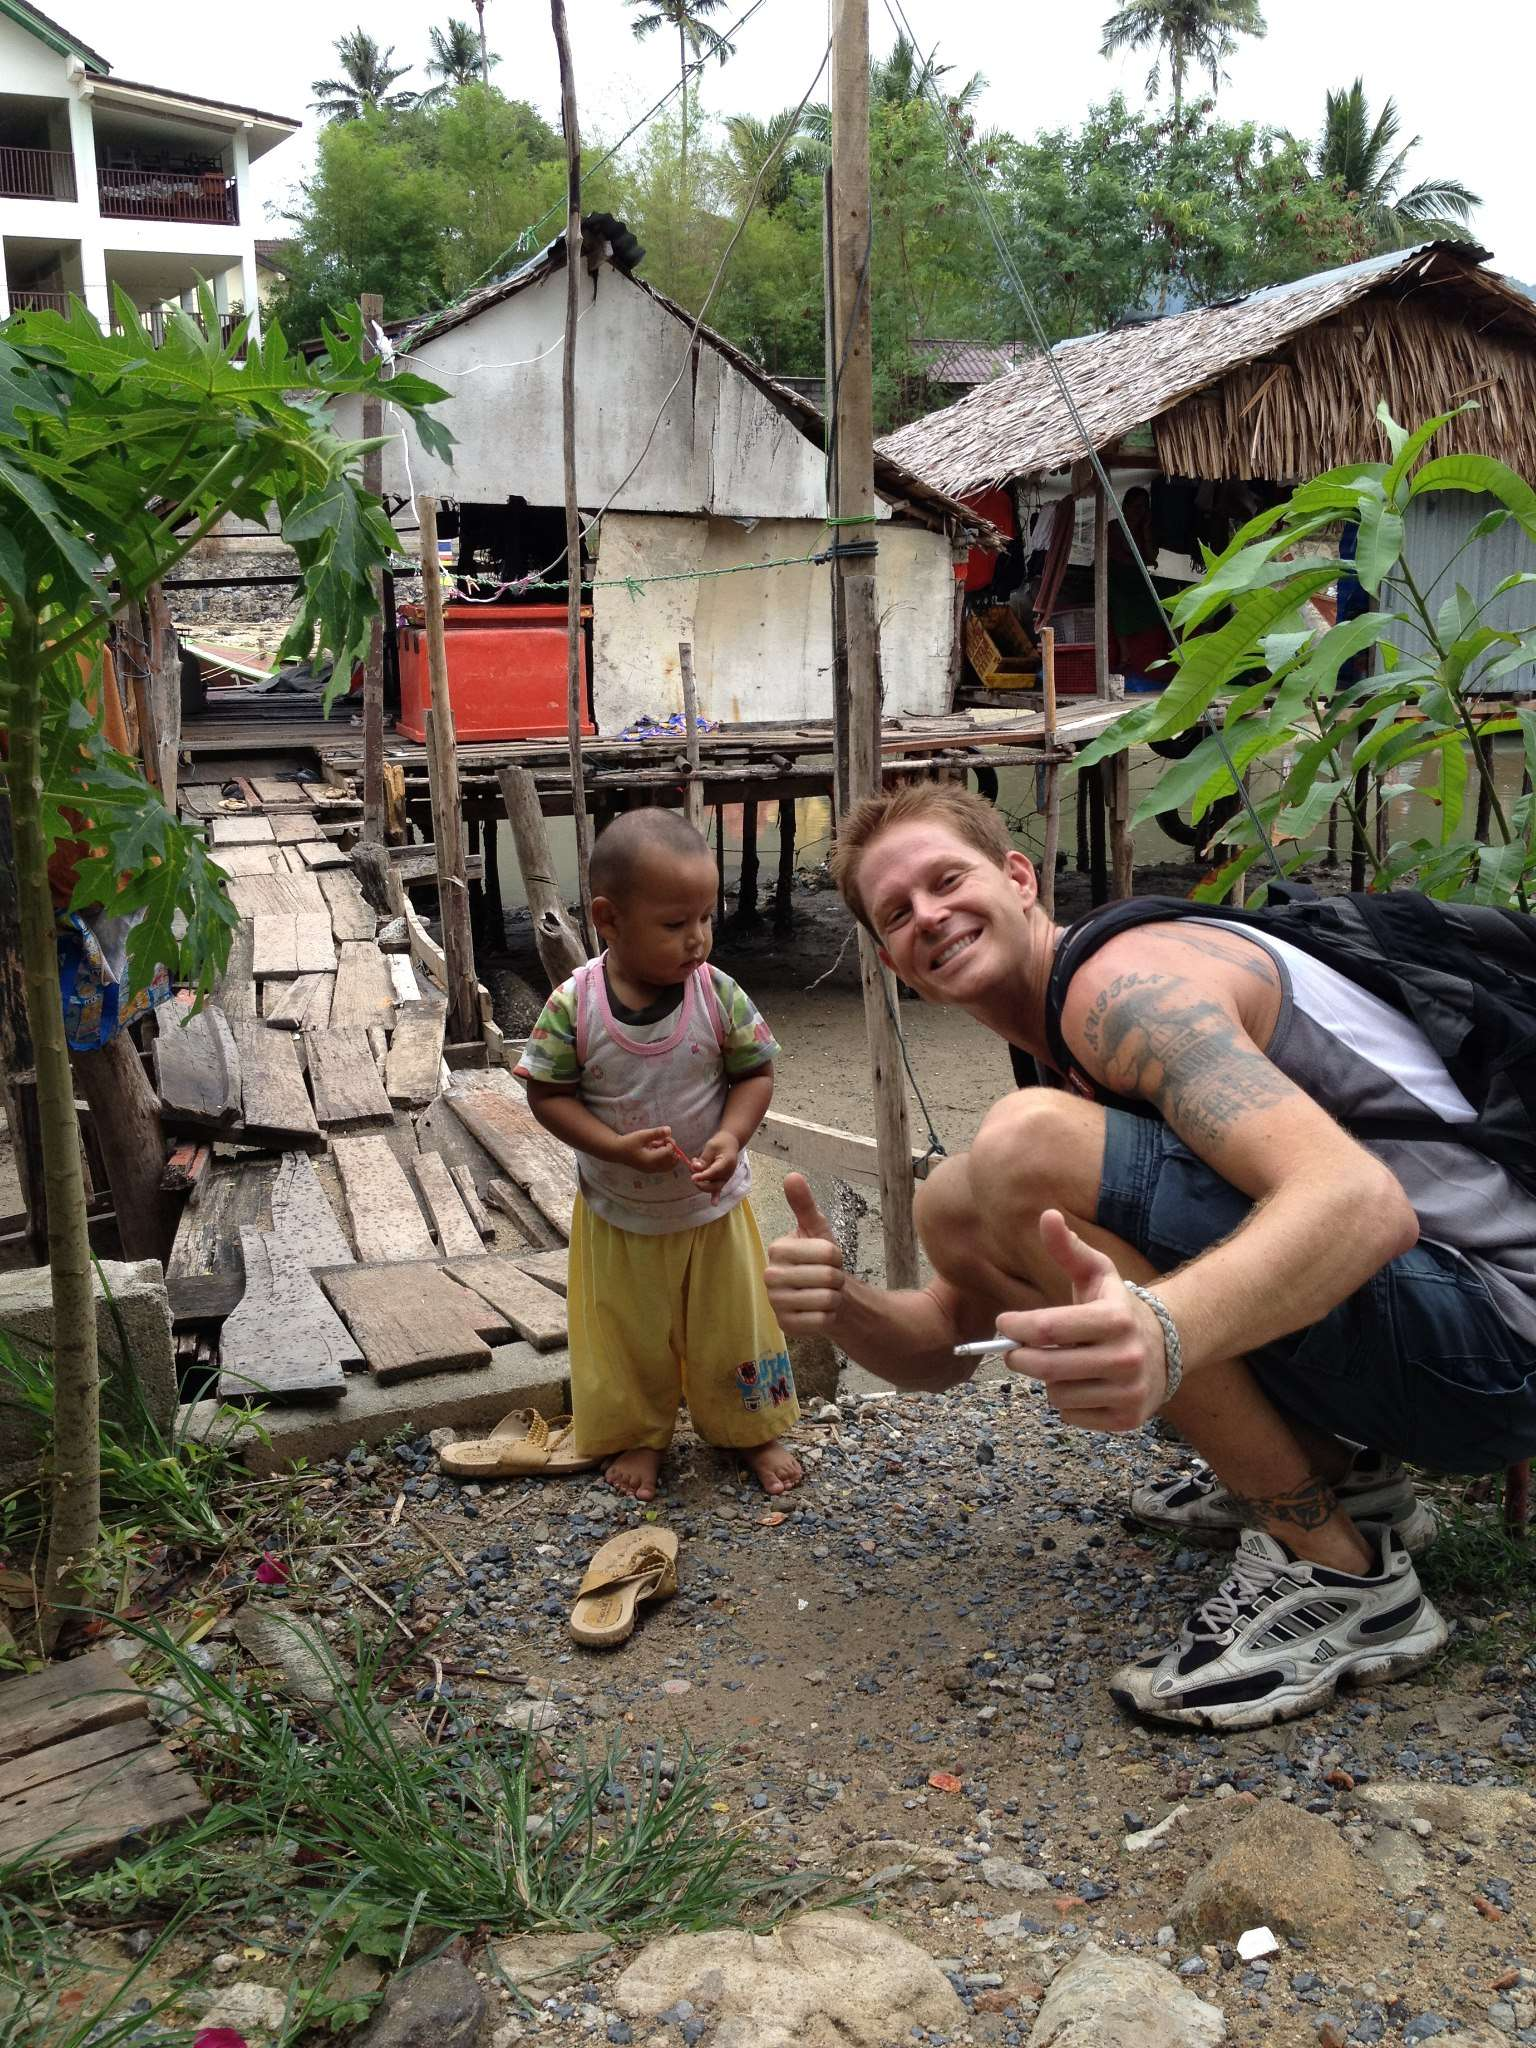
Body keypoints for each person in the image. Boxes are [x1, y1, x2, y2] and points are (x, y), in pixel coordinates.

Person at [764, 781, 1536, 1730]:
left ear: (1018, 878)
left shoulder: (1125, 990)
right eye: (899, 912)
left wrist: (1165, 1333)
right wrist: (842, 1306)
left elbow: (1361, 1204)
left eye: (947, 879)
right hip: (1451, 1339)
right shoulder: (1057, 1033)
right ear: (895, 964)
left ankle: (1338, 1575)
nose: (930, 915)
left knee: (1020, 1152)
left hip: (1496, 1341)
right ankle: (1346, 1475)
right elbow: (943, 1344)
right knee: (954, 1202)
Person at [517, 809, 801, 1503]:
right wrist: (612, 1146)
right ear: (608, 919)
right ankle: (641, 1436)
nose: (698, 939)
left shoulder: (717, 993)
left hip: (713, 1212)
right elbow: (547, 1095)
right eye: (675, 925)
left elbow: (754, 1074)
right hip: (620, 1215)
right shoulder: (574, 1007)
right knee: (629, 1338)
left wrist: (732, 1137)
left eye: (707, 916)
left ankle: (751, 1429)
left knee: (733, 1327)